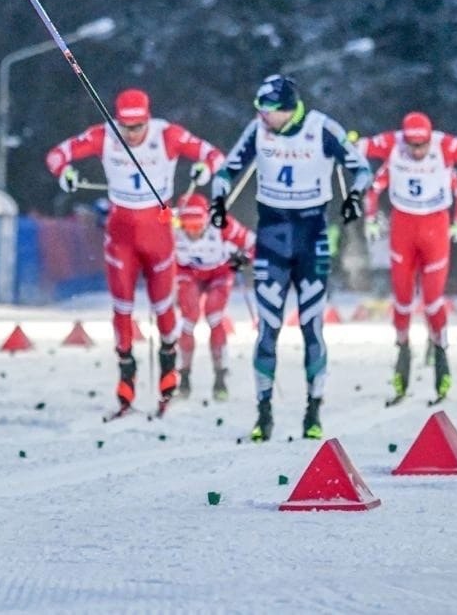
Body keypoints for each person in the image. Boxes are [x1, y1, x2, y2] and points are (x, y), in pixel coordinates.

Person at [209, 74, 371, 441]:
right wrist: (218, 199)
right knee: (268, 330)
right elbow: (226, 170)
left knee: (313, 328)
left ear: (287, 110)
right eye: (259, 112)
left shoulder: (321, 128)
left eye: (268, 112)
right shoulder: (257, 131)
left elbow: (361, 168)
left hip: (311, 239)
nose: (262, 117)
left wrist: (356, 197)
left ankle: (313, 411)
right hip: (272, 239)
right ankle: (263, 413)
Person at [46, 88, 225, 418]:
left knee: (163, 306)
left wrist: (205, 170)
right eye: (126, 127)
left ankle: (169, 373)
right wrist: (66, 175)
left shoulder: (167, 134)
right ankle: (126, 380)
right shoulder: (104, 136)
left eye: (138, 126)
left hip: (158, 234)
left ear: (147, 118)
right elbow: (56, 156)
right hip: (121, 236)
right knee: (122, 308)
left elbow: (215, 156)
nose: (132, 133)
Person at [356, 112, 457, 403]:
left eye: (421, 145)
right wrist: (369, 217)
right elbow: (358, 154)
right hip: (403, 229)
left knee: (433, 299)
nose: (417, 151)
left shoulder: (444, 144)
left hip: (434, 229)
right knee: (403, 299)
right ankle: (403, 349)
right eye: (412, 145)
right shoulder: (393, 143)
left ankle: (441, 350)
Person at [173, 193, 255, 401]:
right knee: (188, 319)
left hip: (219, 271)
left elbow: (253, 243)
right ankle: (184, 377)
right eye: (187, 226)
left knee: (214, 315)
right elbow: (148, 237)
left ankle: (220, 376)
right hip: (188, 271)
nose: (192, 232)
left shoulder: (222, 223)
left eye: (197, 226)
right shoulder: (170, 223)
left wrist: (244, 257)